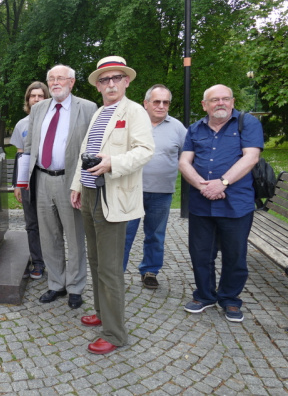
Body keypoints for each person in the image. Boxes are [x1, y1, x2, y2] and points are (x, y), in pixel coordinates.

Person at [70, 56, 154, 354]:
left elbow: (145, 151)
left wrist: (113, 163)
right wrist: (77, 185)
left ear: (126, 81)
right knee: (95, 262)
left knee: (109, 268)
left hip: (113, 199)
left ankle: (116, 333)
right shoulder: (99, 113)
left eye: (116, 78)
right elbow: (86, 151)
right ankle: (103, 313)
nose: (110, 84)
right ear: (98, 86)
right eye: (104, 80)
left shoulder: (135, 112)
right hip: (91, 196)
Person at [179, 84, 263, 323]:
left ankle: (230, 299)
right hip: (201, 203)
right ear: (204, 105)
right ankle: (204, 296)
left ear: (233, 101)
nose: (221, 103)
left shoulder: (247, 124)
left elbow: (251, 157)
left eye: (225, 98)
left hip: (236, 203)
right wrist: (202, 185)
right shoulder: (195, 129)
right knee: (200, 252)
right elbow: (185, 162)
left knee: (235, 254)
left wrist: (222, 183)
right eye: (214, 100)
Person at [23, 65, 96, 308]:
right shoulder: (39, 109)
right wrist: (25, 181)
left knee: (75, 237)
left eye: (60, 79)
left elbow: (92, 149)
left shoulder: (87, 108)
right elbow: (30, 145)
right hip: (42, 179)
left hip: (71, 181)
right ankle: (56, 284)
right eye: (51, 79)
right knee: (49, 236)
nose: (55, 83)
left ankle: (75, 287)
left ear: (72, 82)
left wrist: (83, 185)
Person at [123, 85, 187, 289]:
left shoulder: (178, 128)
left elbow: (186, 158)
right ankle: (116, 273)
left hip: (162, 193)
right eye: (156, 101)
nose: (161, 106)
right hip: (131, 191)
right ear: (146, 103)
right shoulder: (132, 124)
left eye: (165, 102)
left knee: (155, 235)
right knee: (124, 234)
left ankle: (150, 271)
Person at [11, 81, 50, 279]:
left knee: (51, 224)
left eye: (40, 96)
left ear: (46, 98)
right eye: (32, 96)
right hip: (28, 181)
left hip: (49, 178)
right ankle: (38, 262)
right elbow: (20, 154)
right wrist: (18, 184)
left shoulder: (54, 121)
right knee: (32, 224)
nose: (36, 99)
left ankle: (54, 261)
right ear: (28, 100)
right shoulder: (21, 125)